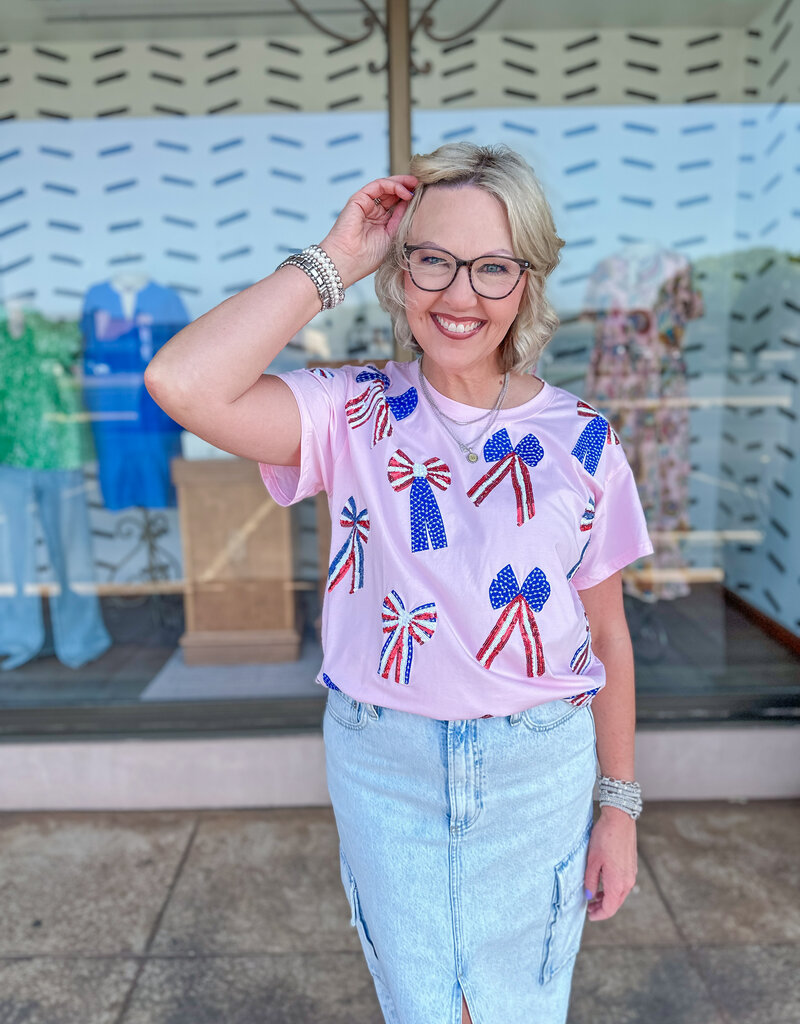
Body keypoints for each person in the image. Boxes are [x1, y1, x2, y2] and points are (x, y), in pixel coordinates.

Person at [145, 142, 653, 1024]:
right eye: (434, 261)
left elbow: (607, 636)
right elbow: (181, 382)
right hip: (387, 765)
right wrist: (335, 259)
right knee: (420, 1008)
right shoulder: (349, 410)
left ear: (527, 281)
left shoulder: (583, 440)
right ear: (400, 272)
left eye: (493, 268)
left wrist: (620, 806)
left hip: (540, 768)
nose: (460, 296)